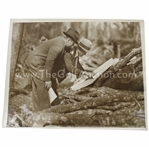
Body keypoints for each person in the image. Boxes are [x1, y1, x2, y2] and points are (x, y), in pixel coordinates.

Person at [25, 28, 80, 111]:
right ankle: (44, 113)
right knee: (43, 88)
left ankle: (37, 112)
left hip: (36, 62)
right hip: (36, 63)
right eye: (73, 44)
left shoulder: (60, 42)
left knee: (37, 89)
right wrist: (47, 79)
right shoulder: (58, 46)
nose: (72, 46)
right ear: (69, 40)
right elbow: (49, 62)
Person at [51, 38, 93, 106]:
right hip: (52, 72)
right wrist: (82, 73)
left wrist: (86, 72)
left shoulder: (75, 53)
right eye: (84, 52)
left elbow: (77, 64)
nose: (85, 54)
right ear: (81, 50)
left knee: (54, 91)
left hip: (56, 73)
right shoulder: (68, 53)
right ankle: (52, 108)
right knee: (51, 91)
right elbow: (70, 67)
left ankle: (55, 105)